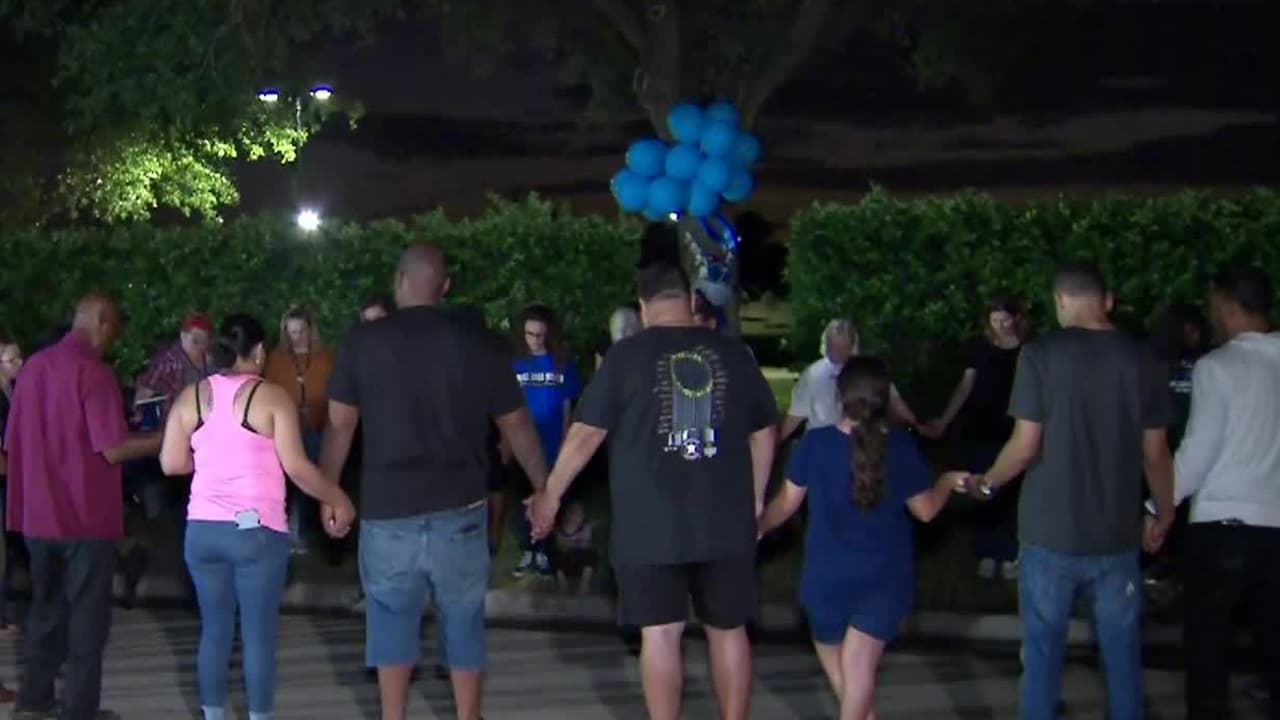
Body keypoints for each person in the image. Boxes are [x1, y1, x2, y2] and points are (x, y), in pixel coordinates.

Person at [529, 261, 779, 720]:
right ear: (690, 300)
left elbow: (585, 434)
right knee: (728, 630)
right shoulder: (733, 354)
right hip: (724, 519)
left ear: (643, 307)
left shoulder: (625, 358)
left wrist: (551, 496)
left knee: (660, 634)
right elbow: (764, 431)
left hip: (650, 523)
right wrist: (757, 498)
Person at [318, 244, 549, 720]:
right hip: (460, 507)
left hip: (388, 508)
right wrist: (545, 488)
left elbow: (340, 425)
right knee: (463, 618)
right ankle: (468, 714)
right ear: (444, 287)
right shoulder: (478, 344)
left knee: (390, 619)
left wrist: (329, 491)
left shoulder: (362, 343)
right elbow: (516, 425)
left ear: (399, 281)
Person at [953, 262, 1174, 720]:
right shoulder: (1143, 360)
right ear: (1107, 300)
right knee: (1122, 659)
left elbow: (1024, 446)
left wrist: (987, 483)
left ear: (1059, 301)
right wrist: (1164, 511)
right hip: (1117, 535)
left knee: (1041, 659)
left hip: (1047, 533)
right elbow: (1156, 453)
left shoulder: (1039, 356)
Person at [159, 313, 356, 720]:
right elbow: (297, 467)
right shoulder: (271, 398)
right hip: (254, 530)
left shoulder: (191, 397)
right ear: (260, 351)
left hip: (202, 532)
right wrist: (337, 496)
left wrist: (210, 462)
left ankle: (213, 715)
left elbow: (171, 463)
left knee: (214, 631)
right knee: (258, 638)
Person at [759, 356, 966, 719]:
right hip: (884, 579)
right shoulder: (900, 448)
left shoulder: (815, 444)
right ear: (885, 399)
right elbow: (927, 510)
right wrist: (947, 481)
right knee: (857, 681)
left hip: (825, 580)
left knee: (851, 680)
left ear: (840, 396)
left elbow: (786, 504)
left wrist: (759, 527)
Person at [5, 294, 162, 720]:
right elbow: (113, 447)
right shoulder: (94, 372)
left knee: (45, 609)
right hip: (85, 516)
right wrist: (166, 437)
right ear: (103, 322)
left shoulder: (33, 368)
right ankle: (78, 710)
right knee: (87, 620)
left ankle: (34, 701)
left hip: (38, 515)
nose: (112, 341)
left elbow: (13, 440)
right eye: (114, 331)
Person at [1171, 266, 1280, 719]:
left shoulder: (1217, 367)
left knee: (1208, 652)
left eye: (1214, 305)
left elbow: (1198, 452)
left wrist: (1158, 505)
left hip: (1222, 528)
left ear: (1230, 306)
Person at [925, 295, 1028, 580]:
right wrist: (944, 420)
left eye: (1005, 320)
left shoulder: (1028, 351)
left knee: (1011, 492)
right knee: (982, 488)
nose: (1001, 326)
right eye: (995, 321)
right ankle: (986, 552)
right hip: (980, 430)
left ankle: (1009, 552)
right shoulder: (979, 349)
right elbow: (965, 386)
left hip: (1012, 431)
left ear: (1016, 318)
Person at [510, 303, 580, 578]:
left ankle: (544, 552)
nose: (535, 340)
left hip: (553, 446)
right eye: (530, 334)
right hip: (524, 446)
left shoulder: (561, 364)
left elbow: (567, 405)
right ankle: (528, 550)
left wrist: (565, 440)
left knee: (551, 499)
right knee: (523, 500)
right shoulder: (515, 365)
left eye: (540, 335)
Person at [780, 319, 924, 443]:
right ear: (825, 345)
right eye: (834, 347)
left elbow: (894, 400)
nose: (838, 352)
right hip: (822, 444)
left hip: (863, 443)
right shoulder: (812, 375)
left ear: (854, 346)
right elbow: (796, 414)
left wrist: (917, 424)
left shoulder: (868, 371)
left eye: (844, 347)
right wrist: (777, 441)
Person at [264, 306, 334, 554]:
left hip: (317, 426)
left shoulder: (325, 358)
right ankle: (280, 531)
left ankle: (303, 532)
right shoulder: (277, 359)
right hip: (286, 430)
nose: (297, 337)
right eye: (292, 332)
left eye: (301, 331)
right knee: (283, 482)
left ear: (310, 331)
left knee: (310, 481)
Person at [553, 501, 597, 596]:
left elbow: (587, 543)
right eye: (576, 514)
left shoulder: (585, 527)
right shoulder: (559, 530)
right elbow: (560, 545)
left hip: (581, 561)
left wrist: (572, 542)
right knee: (555, 555)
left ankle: (584, 585)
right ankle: (562, 584)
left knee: (591, 553)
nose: (580, 517)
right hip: (566, 561)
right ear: (568, 516)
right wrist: (568, 543)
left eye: (581, 514)